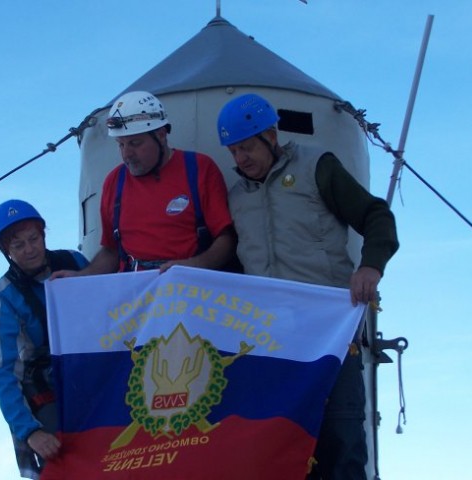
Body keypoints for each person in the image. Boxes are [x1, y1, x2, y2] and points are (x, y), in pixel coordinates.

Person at [217, 93, 399, 480]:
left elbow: (375, 215)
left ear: (271, 134)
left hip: (329, 331)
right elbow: (228, 263)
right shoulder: (235, 198)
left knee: (342, 432)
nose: (240, 159)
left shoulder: (317, 166)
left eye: (246, 146)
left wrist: (370, 267)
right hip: (270, 338)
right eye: (233, 151)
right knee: (285, 440)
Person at [53, 90, 236, 278]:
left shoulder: (199, 169)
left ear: (161, 134)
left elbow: (227, 239)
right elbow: (111, 252)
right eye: (121, 144)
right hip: (134, 295)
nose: (126, 154)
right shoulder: (114, 182)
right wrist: (79, 278)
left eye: (135, 143)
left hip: (189, 290)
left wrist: (195, 265)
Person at [0, 199, 88, 480]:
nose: (30, 249)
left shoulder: (75, 261)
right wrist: (30, 432)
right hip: (49, 384)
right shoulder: (5, 295)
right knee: (64, 462)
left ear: (44, 236)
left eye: (34, 239)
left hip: (93, 368)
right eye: (18, 245)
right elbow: (2, 370)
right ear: (6, 251)